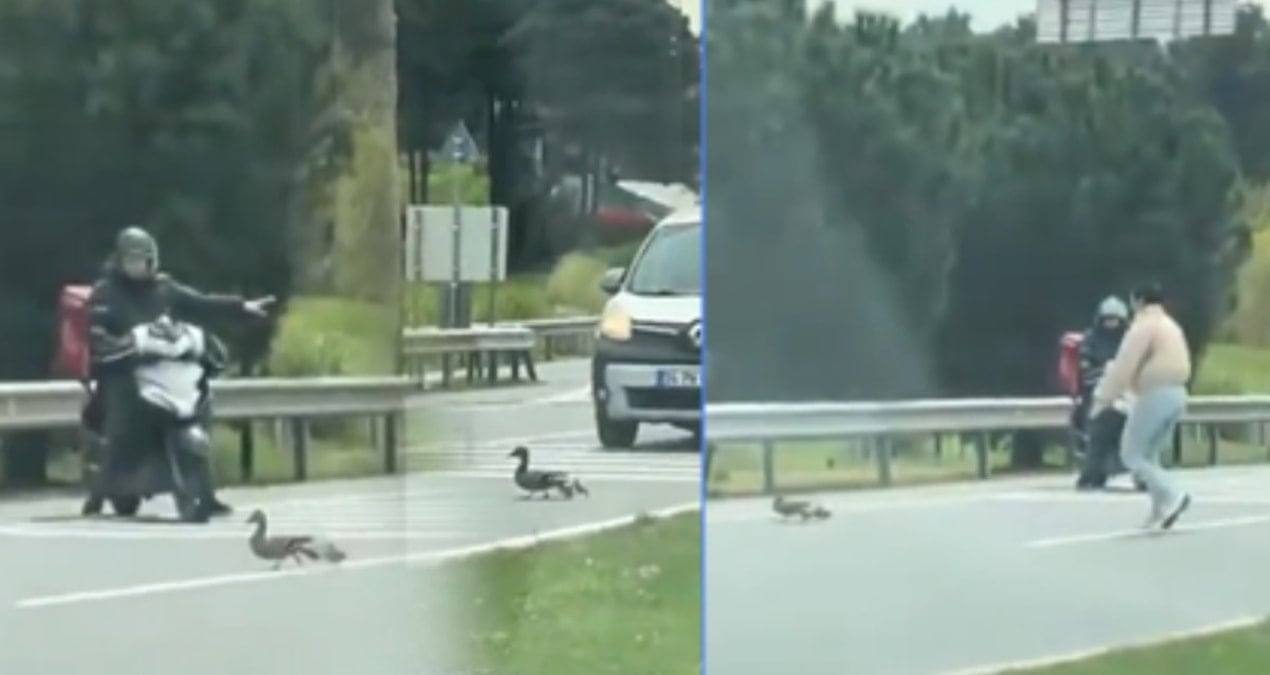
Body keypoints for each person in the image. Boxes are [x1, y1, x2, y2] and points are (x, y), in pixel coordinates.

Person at [83, 226, 275, 517]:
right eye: (134, 260)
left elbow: (201, 303)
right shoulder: (106, 293)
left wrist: (240, 308)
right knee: (124, 414)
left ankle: (205, 493)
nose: (141, 266)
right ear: (121, 260)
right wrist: (122, 346)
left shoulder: (164, 288)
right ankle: (102, 489)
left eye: (146, 260)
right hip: (122, 369)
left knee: (200, 403)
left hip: (164, 369)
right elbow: (98, 336)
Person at [1091, 281, 1192, 530]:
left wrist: (1103, 399)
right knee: (1150, 455)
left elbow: (1124, 365)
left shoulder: (1143, 327)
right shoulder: (1170, 326)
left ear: (1137, 301)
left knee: (1131, 453)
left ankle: (1173, 495)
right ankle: (1159, 511)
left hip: (1155, 392)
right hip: (1178, 393)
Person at [1073, 296, 1131, 489]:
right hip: (1098, 392)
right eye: (1107, 320)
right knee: (1095, 430)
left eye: (1115, 320)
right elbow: (1084, 367)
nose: (1111, 325)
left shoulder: (1130, 339)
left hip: (1128, 393)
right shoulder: (1091, 339)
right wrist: (1101, 374)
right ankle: (1092, 473)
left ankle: (1142, 471)